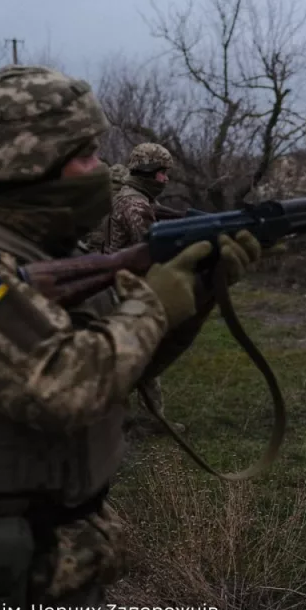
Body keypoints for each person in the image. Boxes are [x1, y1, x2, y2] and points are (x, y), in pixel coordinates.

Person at [0, 64, 263, 610]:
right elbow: (66, 387)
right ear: (28, 165)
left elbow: (121, 368)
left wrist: (198, 296)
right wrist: (154, 306)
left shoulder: (40, 252)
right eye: (85, 155)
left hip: (58, 558)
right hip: (4, 579)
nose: (102, 170)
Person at [101, 142, 179, 434]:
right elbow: (152, 245)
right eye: (162, 173)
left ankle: (147, 418)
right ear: (148, 171)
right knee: (142, 354)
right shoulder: (135, 203)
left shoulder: (134, 197)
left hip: (120, 286)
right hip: (122, 289)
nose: (166, 179)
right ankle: (144, 420)